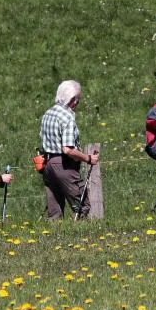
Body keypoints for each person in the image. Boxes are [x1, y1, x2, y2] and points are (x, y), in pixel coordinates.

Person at [39, 80, 99, 220]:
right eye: (78, 101)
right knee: (82, 206)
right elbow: (68, 150)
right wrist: (88, 158)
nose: (77, 105)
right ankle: (81, 236)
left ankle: (53, 236)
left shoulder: (48, 113)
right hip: (63, 165)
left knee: (54, 212)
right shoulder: (67, 117)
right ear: (72, 100)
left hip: (47, 164)